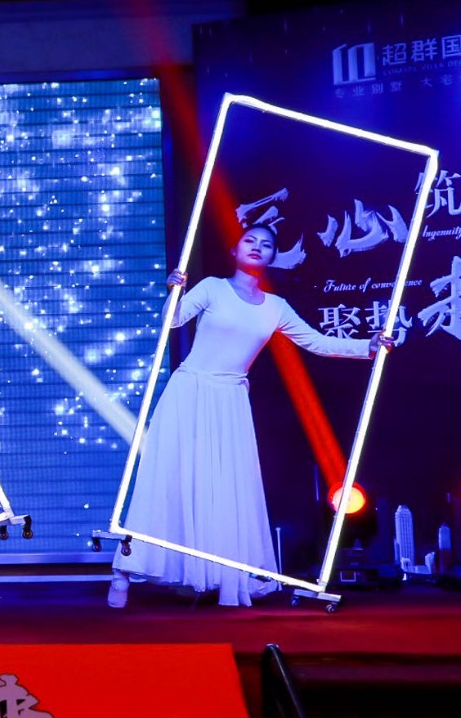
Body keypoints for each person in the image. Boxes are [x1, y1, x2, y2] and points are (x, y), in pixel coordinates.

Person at [111, 224, 394, 608]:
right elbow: (172, 322)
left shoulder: (275, 307)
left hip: (230, 402)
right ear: (235, 249)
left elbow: (316, 342)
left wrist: (368, 347)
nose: (258, 247)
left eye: (267, 244)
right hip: (190, 391)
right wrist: (174, 291)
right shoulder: (212, 288)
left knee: (228, 489)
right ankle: (125, 570)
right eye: (250, 240)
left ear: (274, 256)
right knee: (169, 479)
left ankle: (219, 575)